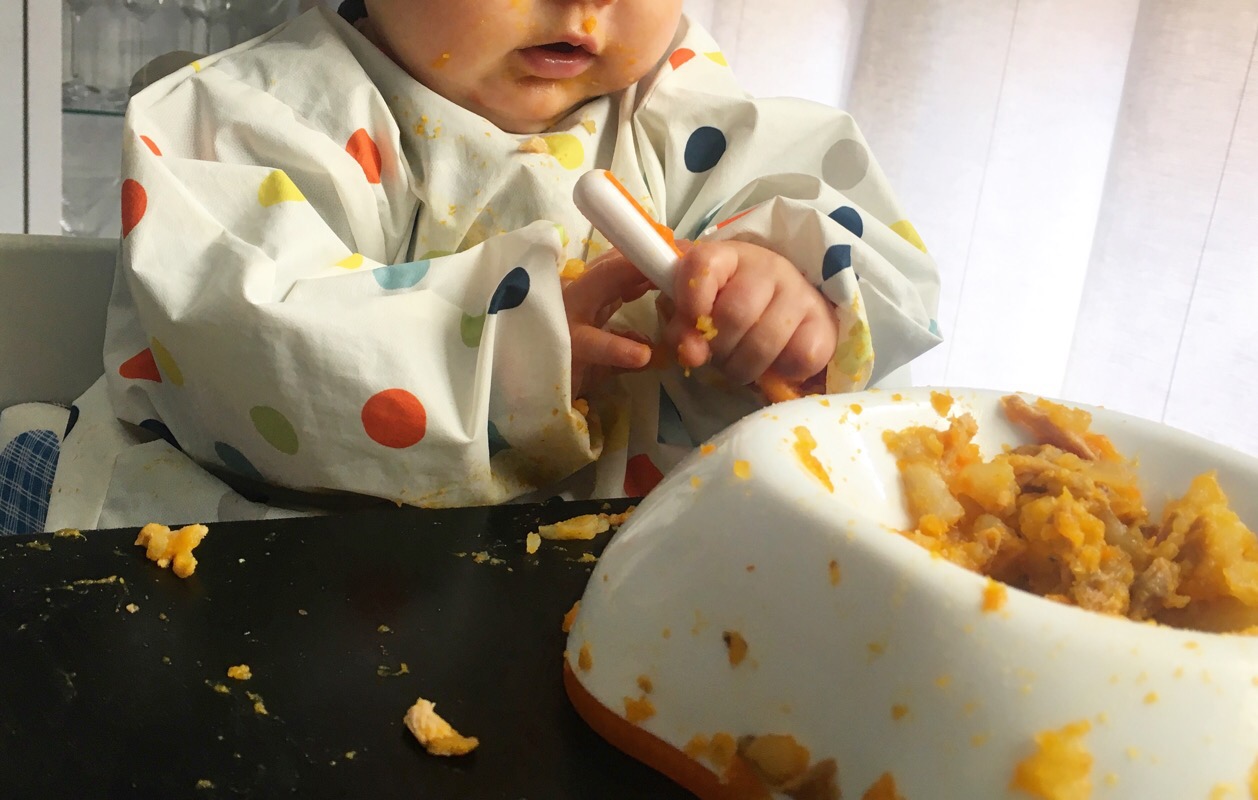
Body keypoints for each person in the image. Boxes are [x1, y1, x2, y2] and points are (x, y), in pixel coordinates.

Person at [44, 0, 942, 530]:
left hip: (592, 589)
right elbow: (253, 345)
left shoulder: (679, 109)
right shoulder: (247, 116)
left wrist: (785, 289)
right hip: (288, 572)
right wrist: (508, 358)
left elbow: (826, 208)